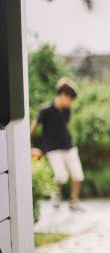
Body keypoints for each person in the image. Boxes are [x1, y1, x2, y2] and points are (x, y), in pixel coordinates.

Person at [30, 78, 84, 212]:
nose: (71, 103)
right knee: (61, 176)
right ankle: (56, 196)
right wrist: (29, 147)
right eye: (70, 100)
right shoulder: (46, 111)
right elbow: (33, 128)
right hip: (53, 149)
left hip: (69, 146)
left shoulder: (66, 111)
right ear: (63, 96)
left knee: (78, 176)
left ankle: (73, 202)